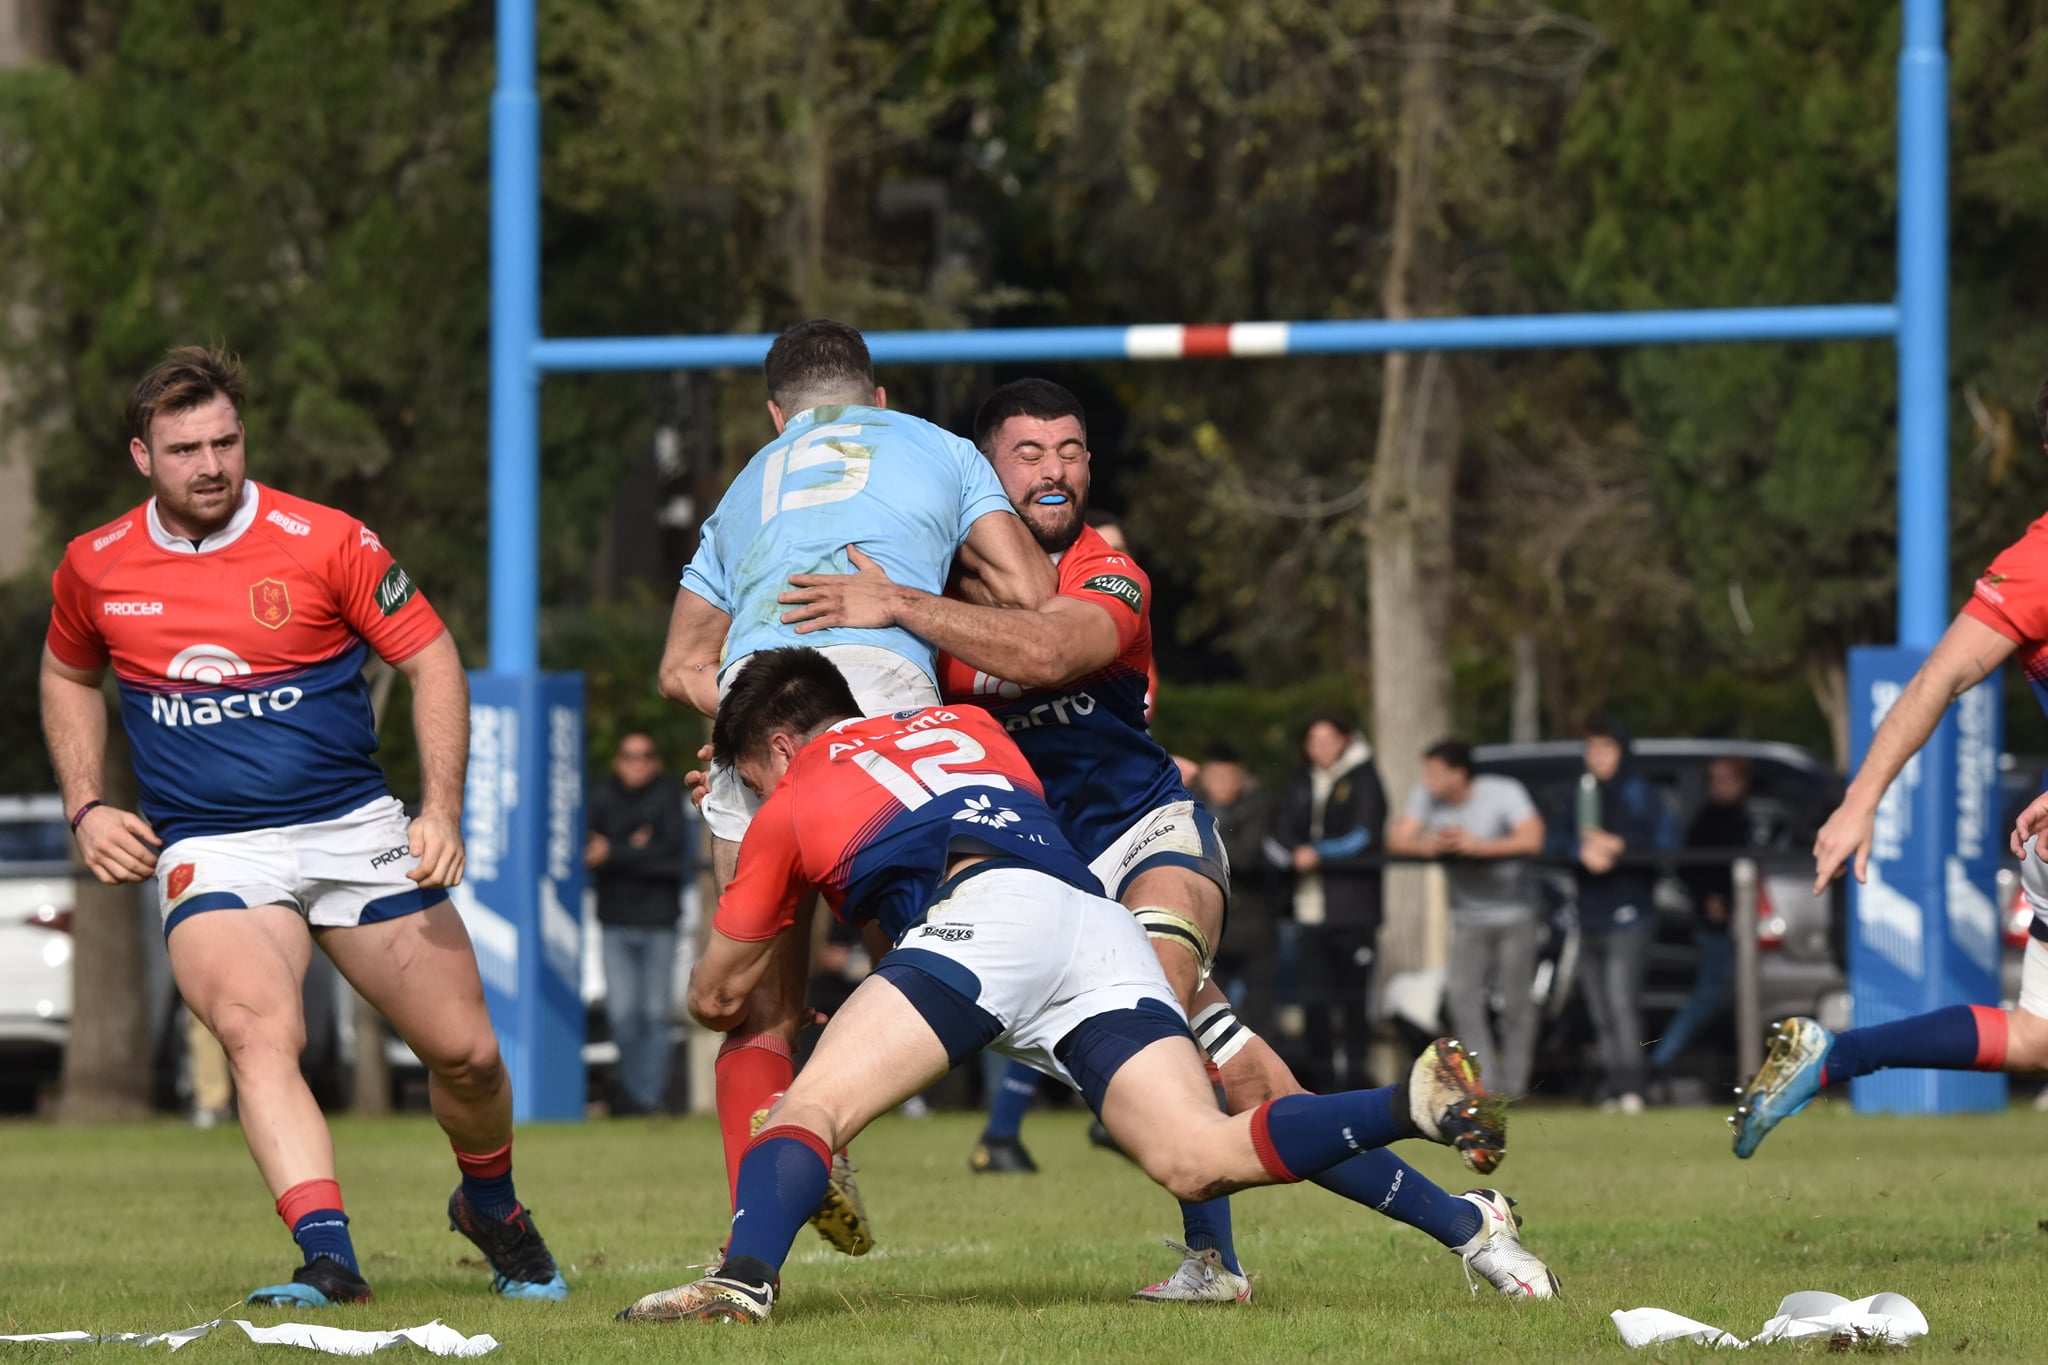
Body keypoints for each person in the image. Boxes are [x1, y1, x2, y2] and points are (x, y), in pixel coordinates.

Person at [779, 379, 1544, 1304]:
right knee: (1253, 1087)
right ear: (982, 472)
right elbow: (852, 732)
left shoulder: (1106, 573)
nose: (1055, 470)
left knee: (1169, 1039)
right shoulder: (931, 585)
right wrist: (747, 761)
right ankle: (1467, 1220)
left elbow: (1048, 652)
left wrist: (898, 602)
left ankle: (1216, 1261)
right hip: (1040, 885)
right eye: (1029, 453)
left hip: (1148, 836)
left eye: (1071, 451)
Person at [614, 648, 1552, 1325]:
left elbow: (717, 997)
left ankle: (743, 1278)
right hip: (1096, 923)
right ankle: (1415, 1108)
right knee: (1200, 1152)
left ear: (781, 747)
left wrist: (751, 848)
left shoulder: (791, 796)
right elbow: (921, 842)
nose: (753, 795)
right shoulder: (969, 724)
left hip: (989, 926)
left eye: (748, 777)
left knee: (804, 1109)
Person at [38, 345, 564, 1306]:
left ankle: (490, 1204)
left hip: (353, 826)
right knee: (256, 1032)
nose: (211, 465)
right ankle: (329, 1258)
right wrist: (87, 804)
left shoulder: (327, 539)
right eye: (185, 449)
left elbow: (432, 659)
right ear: (141, 457)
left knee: (470, 1055)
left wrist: (440, 808)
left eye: (225, 441)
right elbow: (67, 674)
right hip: (213, 845)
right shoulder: (96, 564)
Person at [655, 319, 1054, 1250]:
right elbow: (1034, 595)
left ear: (776, 416)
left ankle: (751, 1245)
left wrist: (753, 722)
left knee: (752, 1005)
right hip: (878, 702)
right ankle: (826, 1119)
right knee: (933, 966)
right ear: (878, 399)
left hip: (761, 714)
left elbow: (678, 667)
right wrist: (923, 594)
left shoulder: (745, 486)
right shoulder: (940, 448)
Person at [1734, 421, 2048, 1153]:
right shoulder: (2038, 562)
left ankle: (1835, 1055)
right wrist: (1859, 800)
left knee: (2037, 1038)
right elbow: (1940, 675)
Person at [1385, 740, 1546, 1099]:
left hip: (1516, 913)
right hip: (1467, 916)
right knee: (1462, 998)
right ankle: (1485, 1086)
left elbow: (1533, 838)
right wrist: (1427, 846)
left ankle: (1517, 1088)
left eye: (1435, 773)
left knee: (1516, 1003)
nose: (1427, 780)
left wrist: (1479, 848)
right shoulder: (1427, 796)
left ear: (1459, 774)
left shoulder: (1503, 792)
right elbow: (1397, 839)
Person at [1550, 717, 1675, 1114]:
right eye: (1591, 750)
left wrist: (1619, 847)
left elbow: (1665, 845)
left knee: (1622, 1002)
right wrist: (1580, 852)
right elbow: (1554, 840)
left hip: (1630, 914)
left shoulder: (1640, 792)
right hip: (1588, 915)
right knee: (1599, 1008)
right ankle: (1614, 1086)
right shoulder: (1580, 792)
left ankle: (1634, 1087)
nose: (1597, 758)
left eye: (1606, 749)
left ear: (1622, 752)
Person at [1270, 714, 1387, 1092]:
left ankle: (1354, 1084)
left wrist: (1317, 853)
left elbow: (1363, 835)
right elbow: (1280, 830)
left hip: (1353, 911)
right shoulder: (1299, 781)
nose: (1320, 748)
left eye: (1328, 739)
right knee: (1314, 1003)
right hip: (1308, 910)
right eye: (1313, 740)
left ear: (1345, 740)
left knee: (1353, 1004)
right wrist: (1295, 853)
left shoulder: (1364, 779)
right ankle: (1320, 1087)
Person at [587, 730, 691, 1117]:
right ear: (618, 761)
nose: (637, 763)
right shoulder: (600, 797)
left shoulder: (667, 796)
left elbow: (673, 857)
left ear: (656, 761)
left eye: (645, 755)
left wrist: (614, 852)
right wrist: (640, 848)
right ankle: (636, 1096)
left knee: (655, 1014)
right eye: (630, 756)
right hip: (614, 921)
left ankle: (646, 1100)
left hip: (660, 921)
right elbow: (589, 854)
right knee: (622, 1016)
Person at [1647, 757, 1760, 1079]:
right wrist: (1709, 897)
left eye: (1725, 779)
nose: (1718, 787)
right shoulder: (1709, 819)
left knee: (1733, 995)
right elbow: (1690, 867)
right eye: (1714, 780)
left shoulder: (1740, 816)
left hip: (1742, 920)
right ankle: (1661, 1060)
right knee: (1710, 995)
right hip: (1717, 924)